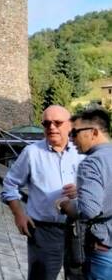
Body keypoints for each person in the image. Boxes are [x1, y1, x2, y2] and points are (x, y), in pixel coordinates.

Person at [1, 105, 85, 280]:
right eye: (46, 124)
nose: (52, 127)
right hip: (44, 231)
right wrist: (19, 215)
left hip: (80, 230)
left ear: (70, 125)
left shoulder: (83, 153)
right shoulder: (32, 153)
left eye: (57, 123)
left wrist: (83, 190)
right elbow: (9, 185)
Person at [57, 109, 112, 279]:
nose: (71, 139)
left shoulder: (91, 163)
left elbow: (89, 210)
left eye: (74, 133)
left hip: (103, 250)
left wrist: (65, 205)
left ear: (94, 132)